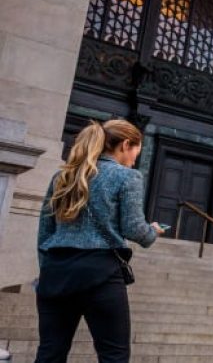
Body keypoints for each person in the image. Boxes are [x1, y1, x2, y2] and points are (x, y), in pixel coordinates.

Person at [35, 119, 166, 363]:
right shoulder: (127, 177)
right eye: (137, 149)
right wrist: (152, 232)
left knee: (50, 353)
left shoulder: (63, 175)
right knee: (114, 355)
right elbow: (134, 228)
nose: (136, 157)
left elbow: (45, 230)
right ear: (126, 144)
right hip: (101, 273)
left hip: (56, 271)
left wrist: (48, 269)